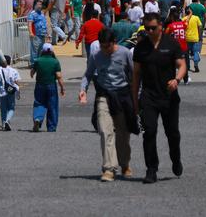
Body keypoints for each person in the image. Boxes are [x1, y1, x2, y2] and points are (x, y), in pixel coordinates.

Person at [131, 12, 186, 184]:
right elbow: (136, 76)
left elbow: (182, 65)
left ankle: (175, 159)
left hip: (169, 96)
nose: (150, 31)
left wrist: (177, 79)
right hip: (149, 96)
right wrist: (135, 102)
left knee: (173, 134)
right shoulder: (141, 47)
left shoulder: (171, 43)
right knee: (150, 131)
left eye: (153, 28)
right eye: (147, 28)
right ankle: (151, 169)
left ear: (160, 26)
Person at [79, 27, 137, 182]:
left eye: (108, 46)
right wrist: (83, 90)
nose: (105, 50)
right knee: (105, 131)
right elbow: (88, 74)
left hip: (122, 96)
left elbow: (134, 76)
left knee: (123, 135)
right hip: (104, 96)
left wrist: (136, 97)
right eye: (102, 46)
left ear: (114, 42)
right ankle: (109, 168)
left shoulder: (125, 53)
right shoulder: (96, 55)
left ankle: (124, 164)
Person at [30, 42, 65, 131]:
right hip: (51, 85)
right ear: (52, 51)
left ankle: (38, 118)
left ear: (43, 51)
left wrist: (34, 73)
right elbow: (59, 76)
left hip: (39, 85)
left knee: (39, 102)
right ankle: (51, 127)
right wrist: (62, 88)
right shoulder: (55, 61)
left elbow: (32, 73)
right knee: (52, 106)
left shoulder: (38, 60)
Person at [0, 55, 20, 130]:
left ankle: (3, 123)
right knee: (11, 108)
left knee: (3, 108)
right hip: (11, 91)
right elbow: (16, 81)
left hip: (2, 91)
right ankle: (7, 120)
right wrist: (18, 90)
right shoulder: (13, 70)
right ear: (10, 61)